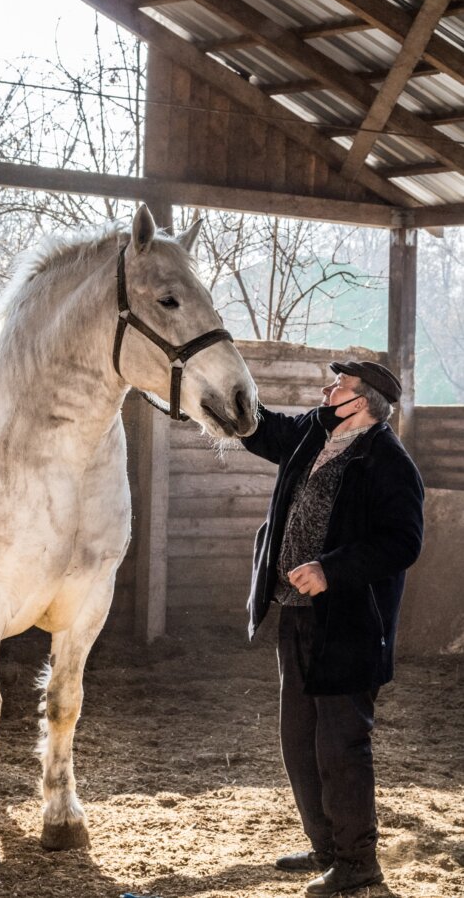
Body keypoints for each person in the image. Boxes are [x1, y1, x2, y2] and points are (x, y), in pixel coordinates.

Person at [241, 360, 424, 897]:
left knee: (341, 744)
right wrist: (208, 389)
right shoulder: (312, 433)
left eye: (338, 386)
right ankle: (327, 849)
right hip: (296, 615)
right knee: (298, 740)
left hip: (349, 625)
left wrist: (331, 569)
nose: (327, 389)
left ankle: (357, 864)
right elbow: (261, 427)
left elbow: (402, 543)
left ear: (361, 401)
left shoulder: (388, 462)